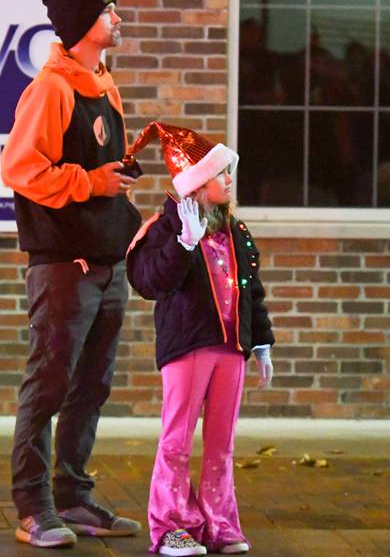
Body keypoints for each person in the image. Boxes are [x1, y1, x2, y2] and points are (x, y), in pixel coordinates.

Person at [0, 0, 143, 548]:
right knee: (49, 385)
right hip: (64, 265)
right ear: (84, 23)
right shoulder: (51, 89)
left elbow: (101, 167)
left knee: (92, 386)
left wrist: (120, 189)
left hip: (108, 261)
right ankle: (33, 507)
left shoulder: (104, 83)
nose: (118, 16)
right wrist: (89, 181)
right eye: (109, 10)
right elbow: (19, 168)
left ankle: (73, 498)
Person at [125, 122, 275, 556]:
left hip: (231, 348)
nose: (229, 180)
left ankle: (219, 522)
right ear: (196, 184)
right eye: (221, 173)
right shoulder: (163, 228)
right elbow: (149, 280)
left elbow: (251, 290)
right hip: (188, 347)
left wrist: (260, 341)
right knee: (177, 438)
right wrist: (182, 246)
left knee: (221, 442)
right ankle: (170, 525)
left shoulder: (236, 232)